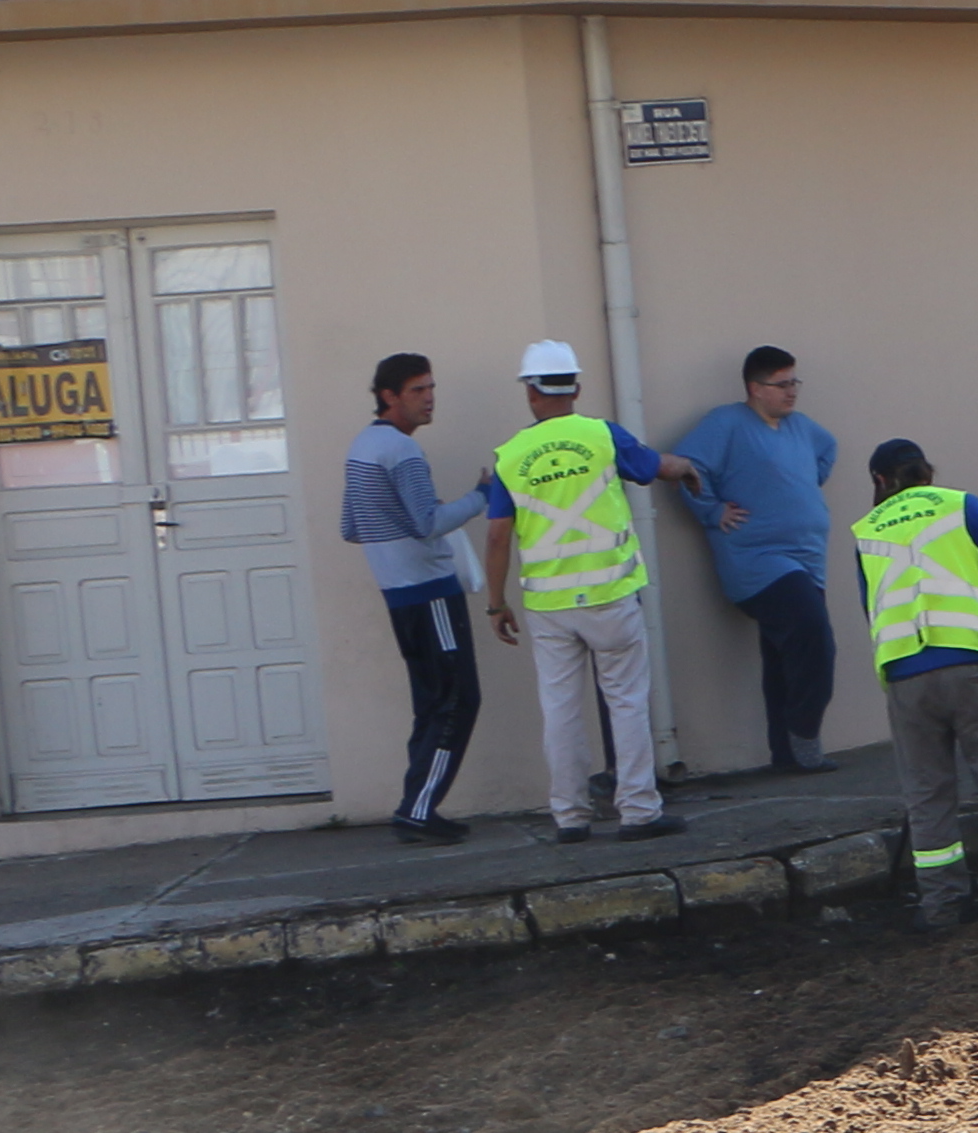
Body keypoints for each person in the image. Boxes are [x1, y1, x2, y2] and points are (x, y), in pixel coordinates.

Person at [476, 341, 705, 844]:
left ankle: (570, 817)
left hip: (549, 606)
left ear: (531, 392)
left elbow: (496, 537)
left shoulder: (510, 457)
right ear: (576, 388)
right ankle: (639, 811)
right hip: (610, 595)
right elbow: (655, 466)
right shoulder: (603, 436)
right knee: (626, 703)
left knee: (560, 711)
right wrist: (686, 467)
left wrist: (495, 603)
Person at [853, 438, 978, 931]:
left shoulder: (865, 529)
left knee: (928, 795)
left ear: (880, 480)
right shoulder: (963, 505)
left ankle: (941, 907)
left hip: (905, 675)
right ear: (927, 471)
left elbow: (870, 607)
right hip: (970, 664)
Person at [341, 353, 489, 844]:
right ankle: (418, 810)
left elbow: (351, 527)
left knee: (432, 704)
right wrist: (482, 495)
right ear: (389, 396)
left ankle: (417, 805)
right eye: (417, 390)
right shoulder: (402, 451)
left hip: (399, 596)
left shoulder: (362, 446)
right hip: (431, 595)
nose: (429, 399)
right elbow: (429, 524)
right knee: (458, 700)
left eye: (431, 388)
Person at [680, 344, 844, 772]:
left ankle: (787, 756)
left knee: (782, 657)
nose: (792, 391)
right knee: (813, 635)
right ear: (755, 388)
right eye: (782, 384)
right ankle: (805, 734)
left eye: (795, 382)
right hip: (757, 559)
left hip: (809, 557)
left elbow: (828, 449)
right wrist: (713, 510)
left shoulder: (800, 427)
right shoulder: (727, 423)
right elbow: (686, 467)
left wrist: (802, 485)